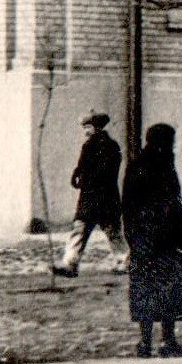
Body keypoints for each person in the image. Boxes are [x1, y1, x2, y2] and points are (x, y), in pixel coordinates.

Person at [121, 121, 182, 357]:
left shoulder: (137, 166)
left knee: (147, 291)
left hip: (145, 242)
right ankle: (167, 340)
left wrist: (133, 239)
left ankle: (146, 343)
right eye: (171, 142)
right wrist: (181, 236)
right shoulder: (162, 167)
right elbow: (173, 205)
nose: (173, 147)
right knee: (166, 290)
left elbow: (127, 208)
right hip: (162, 241)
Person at [54, 111, 125, 277]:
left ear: (98, 127)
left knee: (111, 231)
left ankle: (124, 261)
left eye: (88, 127)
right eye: (84, 127)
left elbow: (106, 172)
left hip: (102, 196)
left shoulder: (108, 147)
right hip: (93, 197)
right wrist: (77, 175)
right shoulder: (91, 146)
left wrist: (84, 178)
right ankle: (70, 263)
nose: (85, 131)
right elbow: (82, 167)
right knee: (82, 229)